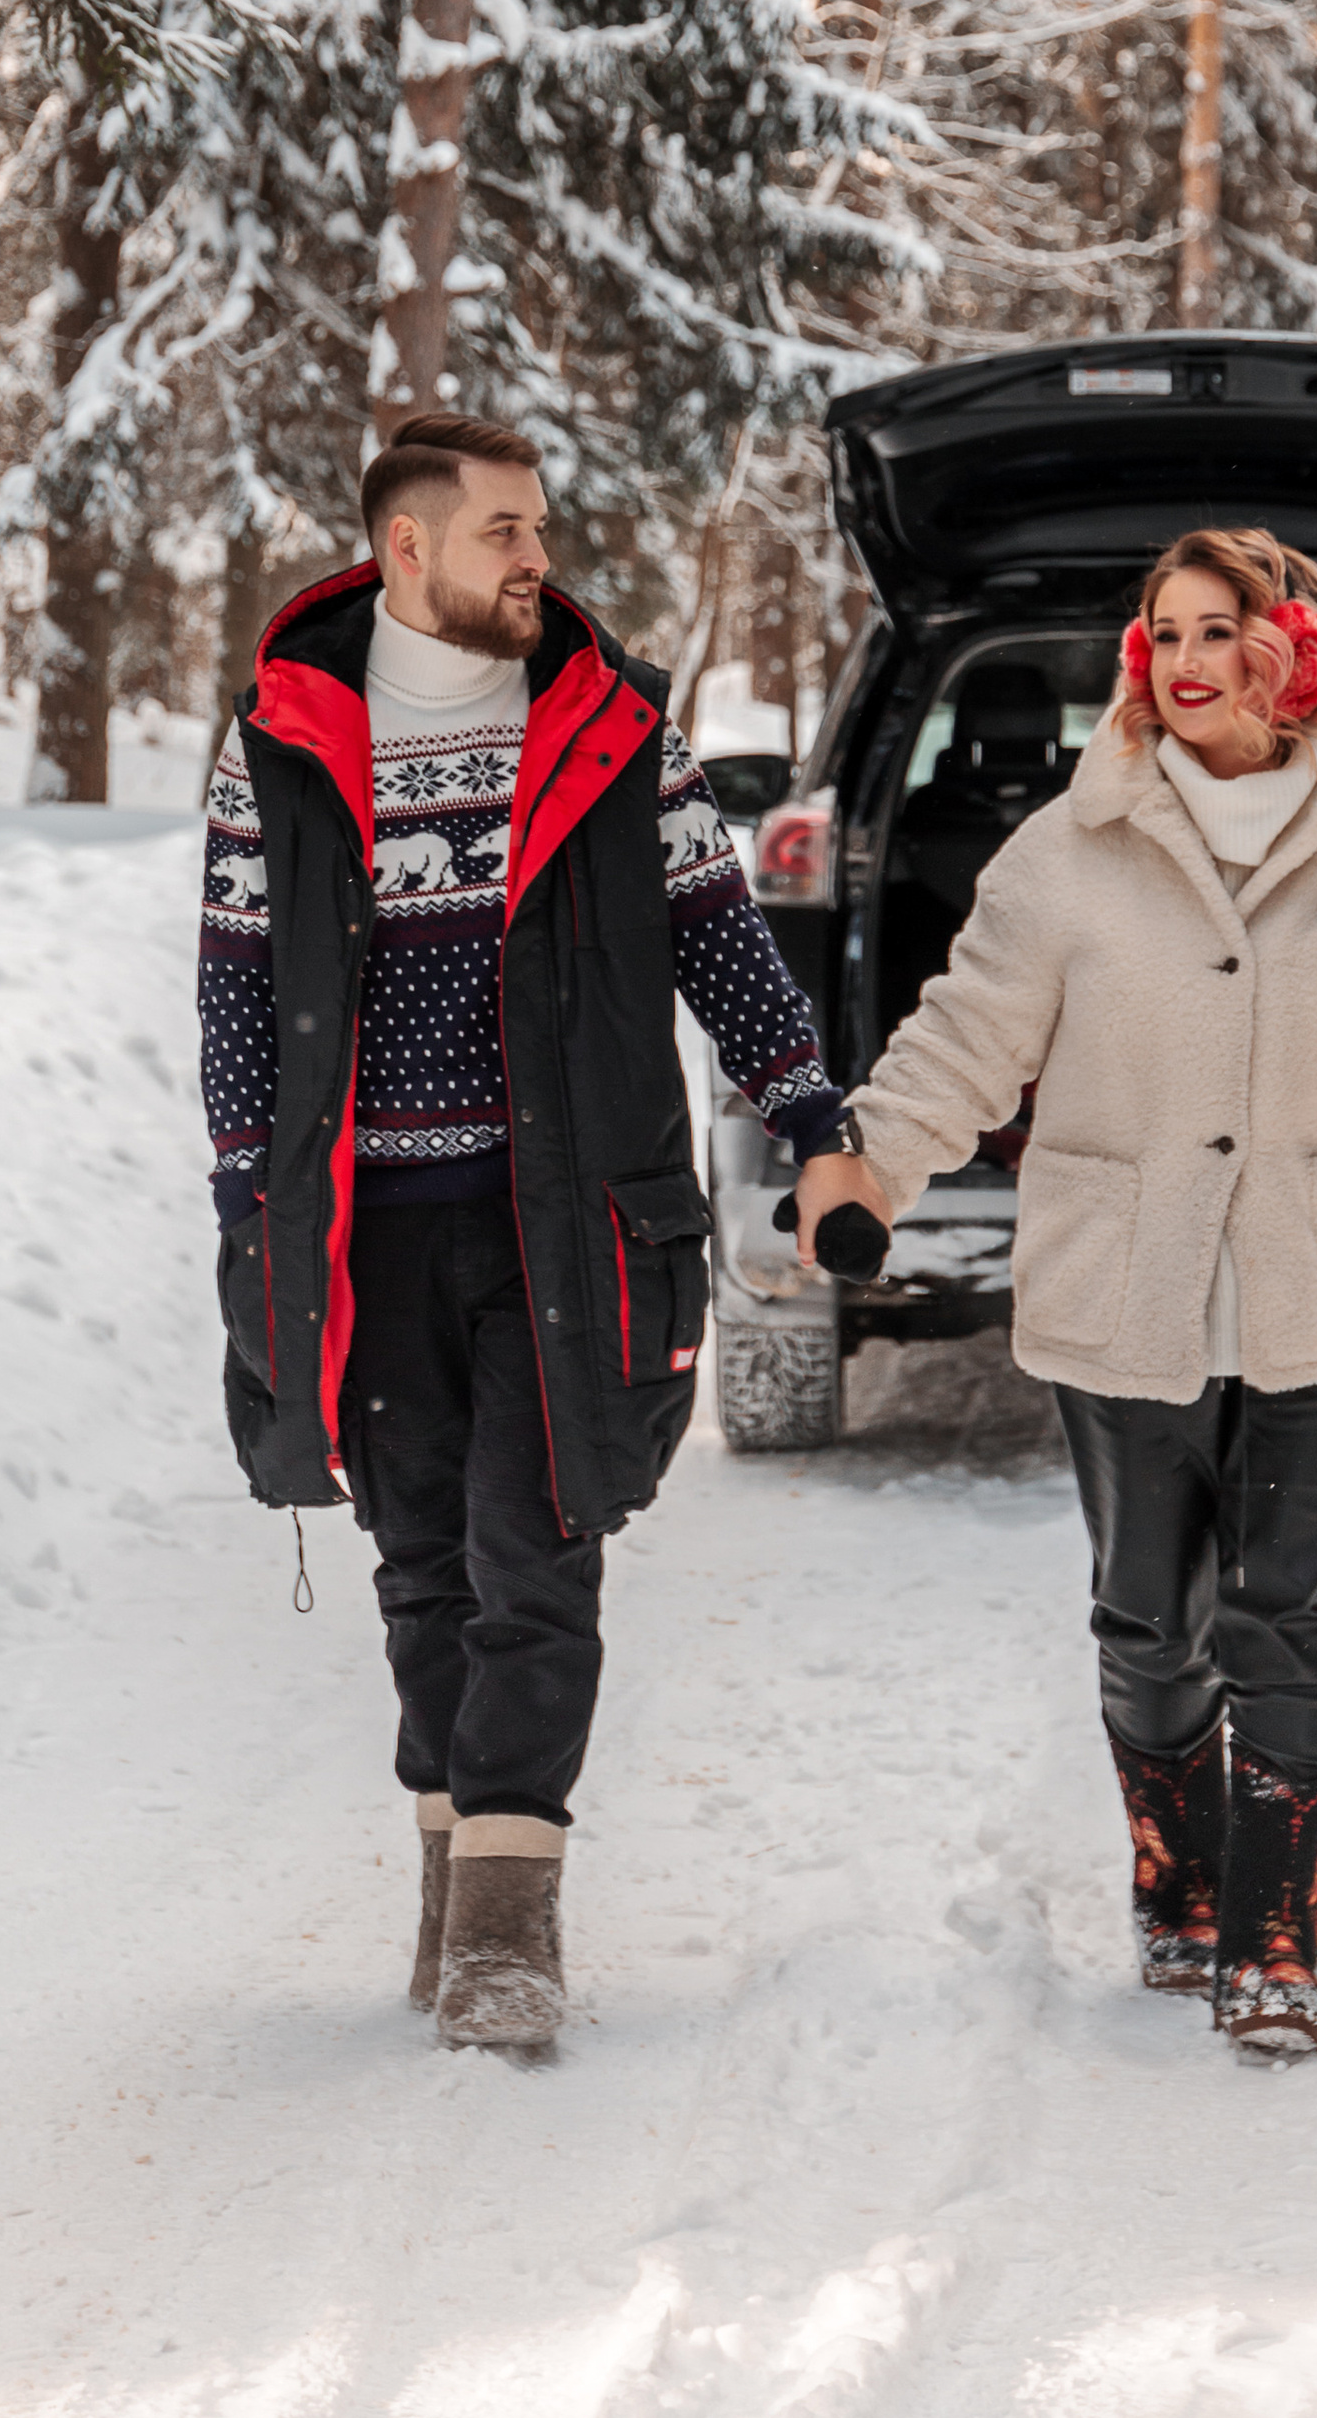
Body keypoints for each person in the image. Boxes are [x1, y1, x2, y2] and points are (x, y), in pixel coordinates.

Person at [794, 526, 1317, 2059]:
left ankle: (1272, 1938)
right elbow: (966, 1036)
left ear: (1297, 659)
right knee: (1149, 1621)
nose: (1185, 663)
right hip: (1126, 1286)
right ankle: (1174, 1880)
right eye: (1166, 635)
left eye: (1220, 633)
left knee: (1298, 1624)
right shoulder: (1067, 852)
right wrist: (869, 1169)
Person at [197, 410, 849, 2056]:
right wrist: (247, 1200)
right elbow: (231, 988)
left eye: (538, 528)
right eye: (504, 532)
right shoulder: (281, 735)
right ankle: (454, 1862)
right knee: (419, 1563)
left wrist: (813, 1118)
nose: (536, 561)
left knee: (537, 1549)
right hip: (368, 1234)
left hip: (566, 1225)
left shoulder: (613, 726)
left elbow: (720, 938)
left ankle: (507, 1922)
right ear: (406, 546)